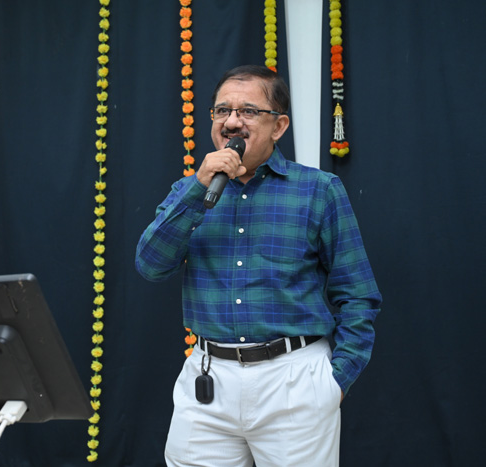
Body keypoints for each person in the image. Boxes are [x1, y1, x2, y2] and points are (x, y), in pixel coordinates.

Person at [135, 65, 381, 467]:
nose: (232, 122)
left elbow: (357, 294)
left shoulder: (318, 190)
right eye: (222, 111)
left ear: (279, 126)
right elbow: (150, 265)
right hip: (208, 380)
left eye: (248, 111)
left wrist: (335, 382)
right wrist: (198, 189)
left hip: (295, 381)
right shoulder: (188, 191)